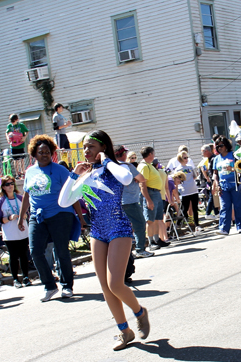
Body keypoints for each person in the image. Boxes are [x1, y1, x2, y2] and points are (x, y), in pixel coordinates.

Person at [58, 130, 150, 350]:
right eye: (85, 147)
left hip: (119, 228)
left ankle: (139, 311)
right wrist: (73, 174)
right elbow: (63, 201)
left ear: (102, 147)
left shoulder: (117, 169)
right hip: (98, 232)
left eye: (91, 146)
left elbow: (128, 179)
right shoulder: (86, 176)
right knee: (105, 288)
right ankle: (124, 331)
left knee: (115, 283)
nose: (86, 151)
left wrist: (107, 161)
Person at [21, 134, 82, 301]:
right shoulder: (30, 172)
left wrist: (81, 217)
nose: (45, 155)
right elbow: (27, 195)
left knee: (61, 250)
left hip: (60, 214)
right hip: (37, 216)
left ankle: (67, 286)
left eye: (47, 152)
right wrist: (21, 218)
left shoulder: (61, 170)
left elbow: (72, 194)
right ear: (34, 154)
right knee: (35, 251)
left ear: (52, 153)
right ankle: (49, 286)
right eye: (41, 152)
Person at [0, 175, 32, 288]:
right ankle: (15, 279)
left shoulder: (20, 198)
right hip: (10, 233)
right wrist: (9, 218)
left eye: (12, 183)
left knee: (24, 255)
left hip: (22, 231)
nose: (10, 186)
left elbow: (29, 211)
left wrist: (25, 215)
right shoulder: (1, 201)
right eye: (7, 184)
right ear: (3, 187)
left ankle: (25, 277)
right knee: (13, 256)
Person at [117, 147, 153, 258]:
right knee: (140, 224)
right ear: (123, 154)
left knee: (125, 227)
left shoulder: (113, 167)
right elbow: (141, 178)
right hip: (130, 201)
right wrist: (137, 179)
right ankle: (140, 249)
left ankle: (126, 252)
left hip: (119, 201)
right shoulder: (127, 166)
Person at [211, 136, 241, 235]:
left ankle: (240, 226)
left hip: (235, 184)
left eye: (221, 145)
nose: (219, 148)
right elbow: (215, 173)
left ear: (226, 145)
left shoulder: (234, 155)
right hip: (223, 185)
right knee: (225, 206)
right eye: (217, 146)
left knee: (238, 205)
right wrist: (216, 184)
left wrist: (233, 169)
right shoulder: (216, 159)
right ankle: (224, 228)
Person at [138, 146, 168, 249]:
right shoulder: (144, 166)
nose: (154, 155)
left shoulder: (148, 165)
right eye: (153, 153)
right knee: (150, 220)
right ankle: (151, 242)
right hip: (150, 193)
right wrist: (148, 199)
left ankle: (157, 239)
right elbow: (142, 184)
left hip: (156, 193)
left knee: (156, 218)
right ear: (150, 154)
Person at [173, 150, 202, 231]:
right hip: (185, 191)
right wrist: (177, 194)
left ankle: (197, 225)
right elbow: (176, 182)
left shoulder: (190, 167)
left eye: (187, 157)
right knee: (184, 209)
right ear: (180, 159)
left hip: (193, 190)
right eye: (184, 157)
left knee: (195, 208)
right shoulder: (178, 169)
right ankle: (178, 224)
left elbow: (195, 176)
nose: (186, 159)